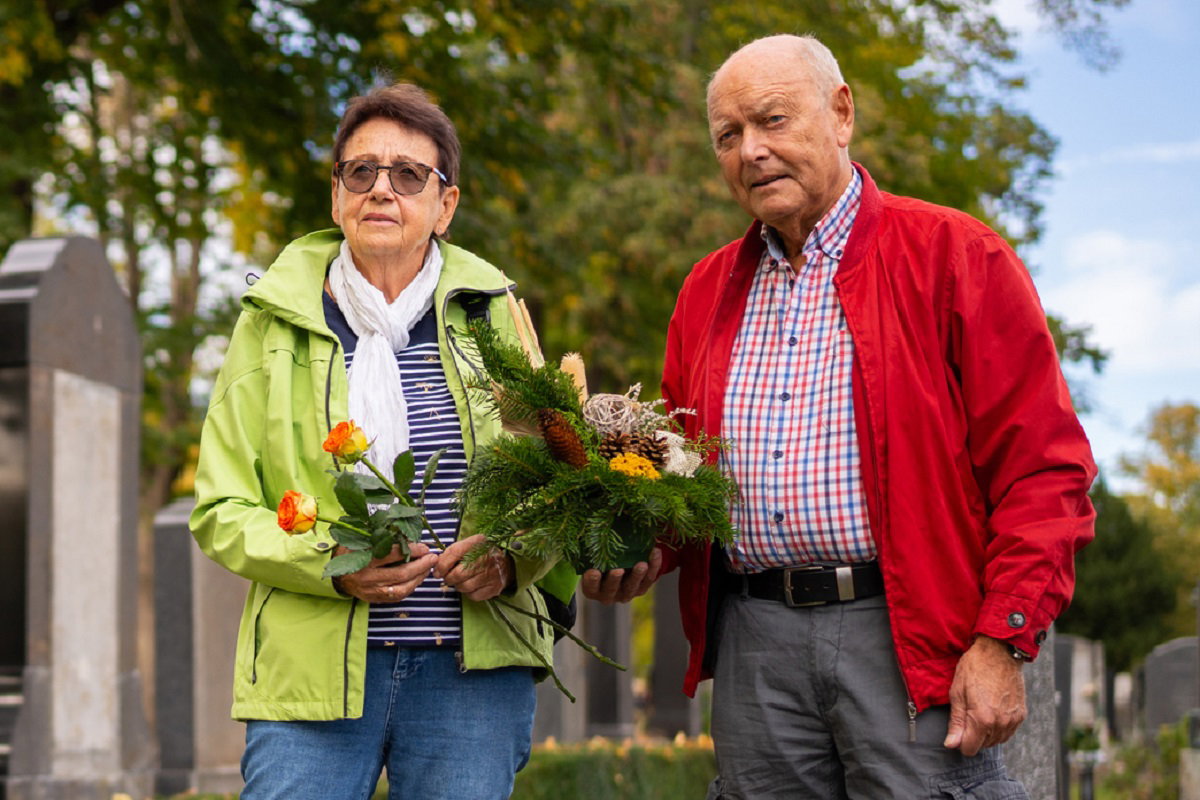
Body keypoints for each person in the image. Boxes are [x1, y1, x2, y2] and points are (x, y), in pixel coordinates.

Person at [582, 34, 1096, 798]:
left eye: (773, 121)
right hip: (754, 636)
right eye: (730, 136)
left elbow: (1044, 468)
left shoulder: (956, 254)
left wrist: (1002, 640)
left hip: (907, 630)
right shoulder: (705, 291)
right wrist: (636, 548)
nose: (752, 151)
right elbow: (684, 476)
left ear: (842, 113)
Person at [190, 83, 572, 800]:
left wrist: (514, 559)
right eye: (360, 172)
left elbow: (560, 481)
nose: (381, 190)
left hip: (472, 675)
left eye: (408, 174)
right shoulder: (272, 325)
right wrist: (330, 563)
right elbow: (221, 509)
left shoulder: (496, 317)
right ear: (336, 198)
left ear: (445, 206)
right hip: (313, 677)